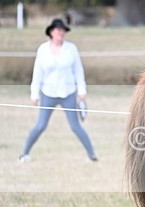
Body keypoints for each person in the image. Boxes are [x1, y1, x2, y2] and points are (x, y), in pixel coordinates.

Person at [19, 18, 97, 163]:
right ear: (51, 32)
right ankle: (24, 154)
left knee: (75, 126)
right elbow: (37, 73)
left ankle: (92, 155)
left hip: (68, 93)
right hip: (48, 93)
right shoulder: (43, 49)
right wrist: (34, 93)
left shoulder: (71, 49)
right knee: (40, 125)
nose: (60, 32)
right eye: (58, 30)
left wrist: (82, 90)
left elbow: (78, 71)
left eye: (63, 30)